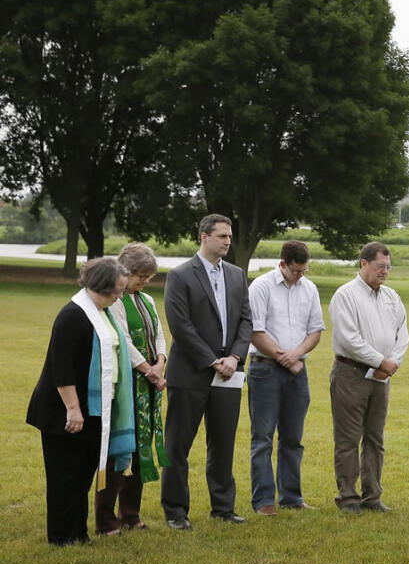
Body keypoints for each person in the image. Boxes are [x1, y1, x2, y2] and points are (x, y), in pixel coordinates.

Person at [27, 257, 132, 545]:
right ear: (101, 286)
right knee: (64, 477)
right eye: (118, 291)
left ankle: (79, 532)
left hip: (96, 409)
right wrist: (73, 409)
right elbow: (62, 368)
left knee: (84, 475)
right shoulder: (73, 315)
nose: (121, 296)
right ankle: (61, 537)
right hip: (64, 410)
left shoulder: (103, 313)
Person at [161, 213, 252, 529]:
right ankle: (175, 511)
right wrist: (212, 360)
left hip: (229, 373)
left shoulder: (238, 275)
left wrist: (235, 358)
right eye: (222, 236)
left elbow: (246, 322)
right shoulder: (180, 275)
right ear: (203, 236)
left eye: (229, 236)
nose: (228, 241)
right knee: (178, 445)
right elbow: (181, 327)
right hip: (190, 373)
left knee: (223, 443)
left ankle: (223, 507)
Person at [329, 241, 409, 514]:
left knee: (375, 438)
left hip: (382, 376)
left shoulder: (391, 296)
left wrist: (391, 363)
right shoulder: (346, 295)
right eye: (380, 267)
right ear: (364, 264)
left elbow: (402, 333)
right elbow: (349, 338)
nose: (385, 272)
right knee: (349, 438)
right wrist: (379, 360)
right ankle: (348, 497)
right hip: (351, 373)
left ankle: (372, 496)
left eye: (388, 267)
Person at [95, 243, 169, 535]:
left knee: (141, 449)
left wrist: (161, 360)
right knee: (120, 448)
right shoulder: (115, 301)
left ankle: (130, 513)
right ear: (125, 271)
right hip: (127, 383)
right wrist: (148, 369)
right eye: (141, 275)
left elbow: (159, 334)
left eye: (149, 276)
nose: (145, 281)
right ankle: (106, 515)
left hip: (150, 382)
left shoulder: (147, 300)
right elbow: (122, 339)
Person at [247, 240, 325, 515]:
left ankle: (291, 497)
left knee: (293, 437)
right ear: (282, 264)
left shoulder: (310, 289)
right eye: (295, 271)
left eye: (304, 271)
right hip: (265, 368)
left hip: (297, 370)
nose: (300, 276)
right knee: (263, 437)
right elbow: (255, 331)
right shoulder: (261, 287)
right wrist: (285, 358)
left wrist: (297, 355)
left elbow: (315, 330)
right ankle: (264, 501)